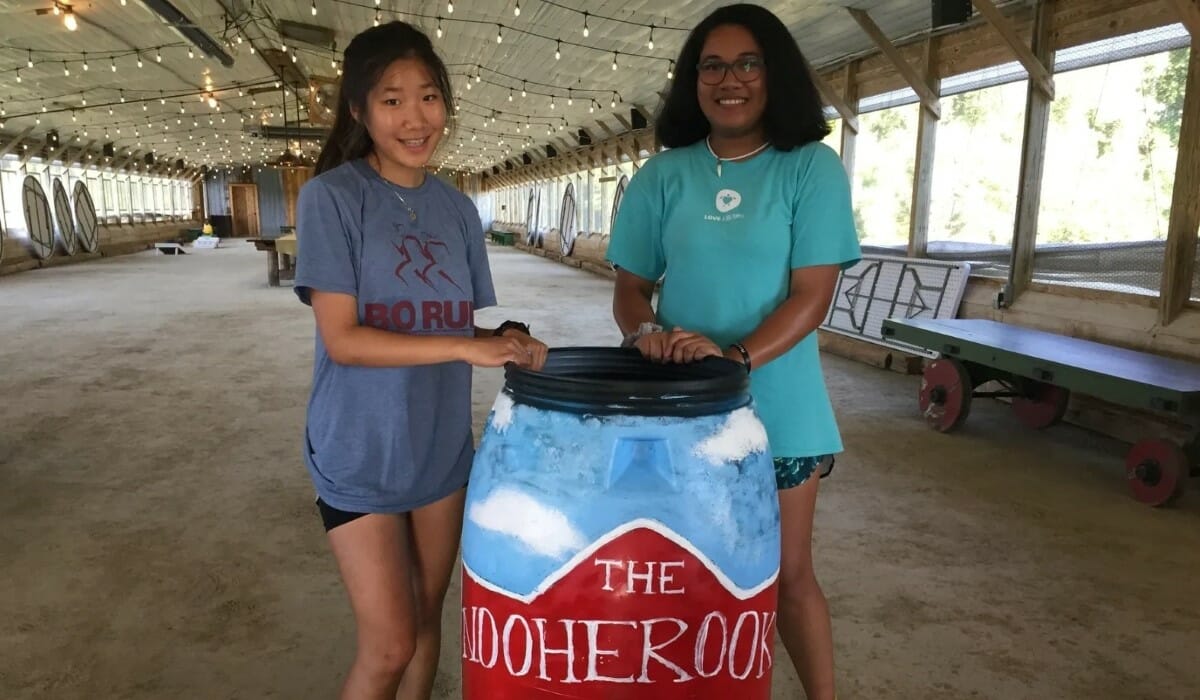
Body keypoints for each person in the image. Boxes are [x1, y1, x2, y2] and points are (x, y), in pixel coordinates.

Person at [607, 4, 860, 699]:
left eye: (748, 63)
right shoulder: (664, 176)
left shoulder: (810, 168)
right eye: (712, 66)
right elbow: (631, 288)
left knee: (786, 575)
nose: (730, 80)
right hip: (680, 410)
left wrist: (736, 359)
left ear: (774, 74)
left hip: (780, 412)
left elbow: (813, 296)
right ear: (694, 81)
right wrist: (643, 334)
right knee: (685, 573)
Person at [293, 21, 548, 700]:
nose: (415, 117)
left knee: (428, 617)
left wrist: (509, 337)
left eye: (428, 97)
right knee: (389, 644)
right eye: (392, 100)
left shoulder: (459, 211)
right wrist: (468, 346)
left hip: (438, 448)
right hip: (360, 447)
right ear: (359, 111)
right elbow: (344, 338)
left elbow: (455, 319)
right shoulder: (332, 199)